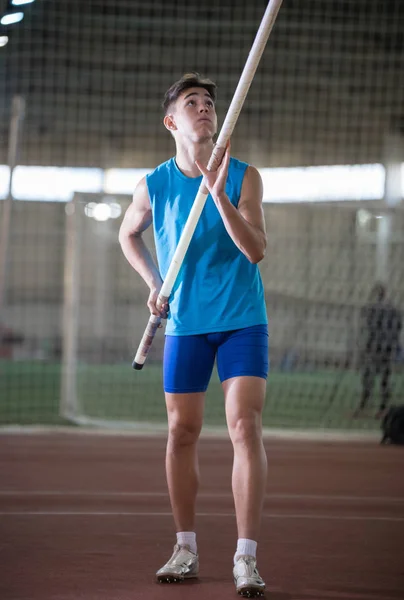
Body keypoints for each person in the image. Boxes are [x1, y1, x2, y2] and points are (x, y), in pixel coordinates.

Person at [119, 72, 269, 597]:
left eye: (209, 101)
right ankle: (185, 547)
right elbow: (127, 233)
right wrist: (154, 281)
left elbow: (255, 250)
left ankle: (245, 559)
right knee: (181, 432)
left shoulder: (244, 176)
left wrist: (217, 191)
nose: (204, 107)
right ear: (171, 121)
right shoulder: (154, 184)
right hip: (185, 323)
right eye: (191, 102)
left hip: (242, 320)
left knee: (243, 427)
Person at [354, 283, 402, 419]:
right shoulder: (393, 309)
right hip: (388, 348)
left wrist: (365, 344)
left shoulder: (371, 309)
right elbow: (398, 327)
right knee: (385, 378)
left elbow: (368, 327)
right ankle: (383, 407)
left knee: (368, 375)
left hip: (375, 347)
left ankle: (364, 405)